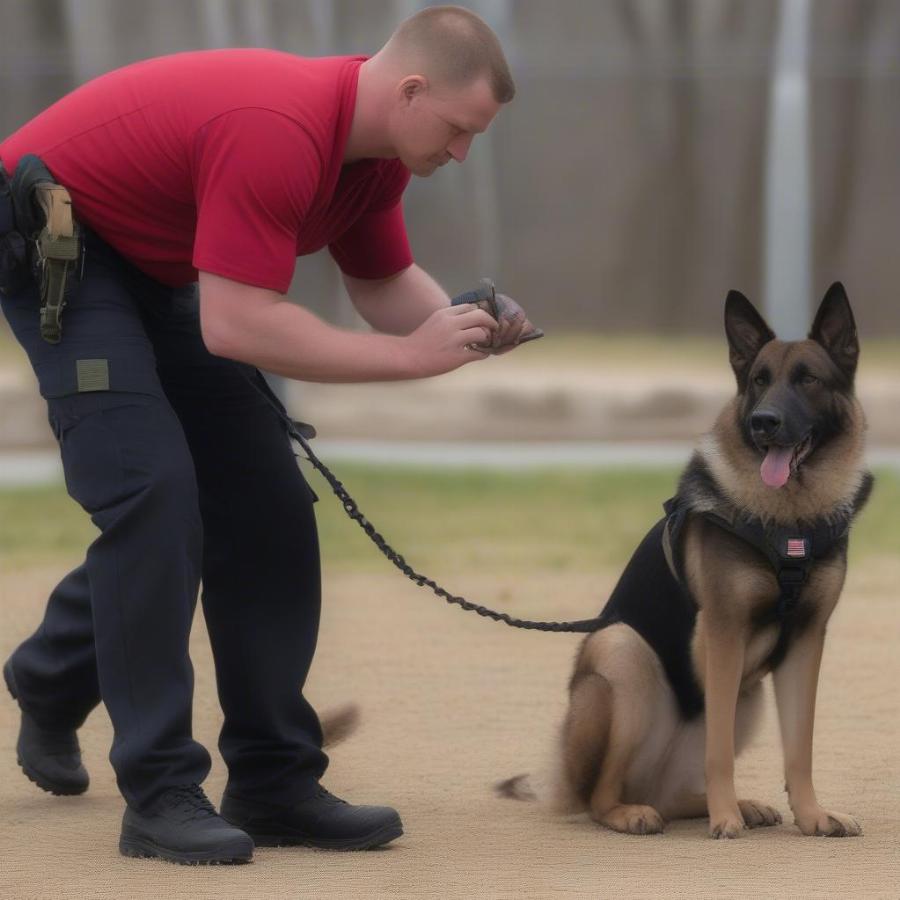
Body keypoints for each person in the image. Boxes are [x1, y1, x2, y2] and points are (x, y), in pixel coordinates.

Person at [0, 6, 534, 865]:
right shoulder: (278, 128)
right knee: (153, 494)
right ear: (410, 89)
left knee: (269, 503)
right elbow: (239, 324)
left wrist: (462, 325)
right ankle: (162, 790)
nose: (460, 153)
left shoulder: (378, 158)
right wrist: (408, 359)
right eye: (458, 130)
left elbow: (384, 280)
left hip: (161, 264)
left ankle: (272, 778)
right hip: (59, 243)